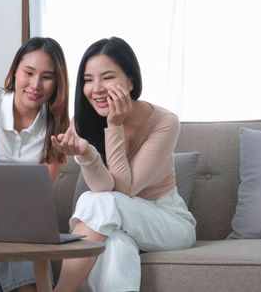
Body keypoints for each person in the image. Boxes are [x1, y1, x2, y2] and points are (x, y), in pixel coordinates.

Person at [51, 37, 197, 292]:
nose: (96, 89)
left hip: (168, 220)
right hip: (114, 218)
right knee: (116, 244)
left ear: (130, 80)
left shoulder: (164, 121)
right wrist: (86, 154)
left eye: (107, 77)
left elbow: (123, 191)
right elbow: (105, 187)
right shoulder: (82, 122)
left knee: (94, 201)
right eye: (88, 80)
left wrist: (115, 125)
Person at [0, 37, 70, 292]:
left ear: (58, 83)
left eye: (47, 77)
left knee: (16, 233)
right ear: (15, 71)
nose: (35, 85)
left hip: (28, 220)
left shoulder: (59, 125)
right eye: (28, 73)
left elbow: (39, 192)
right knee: (17, 233)